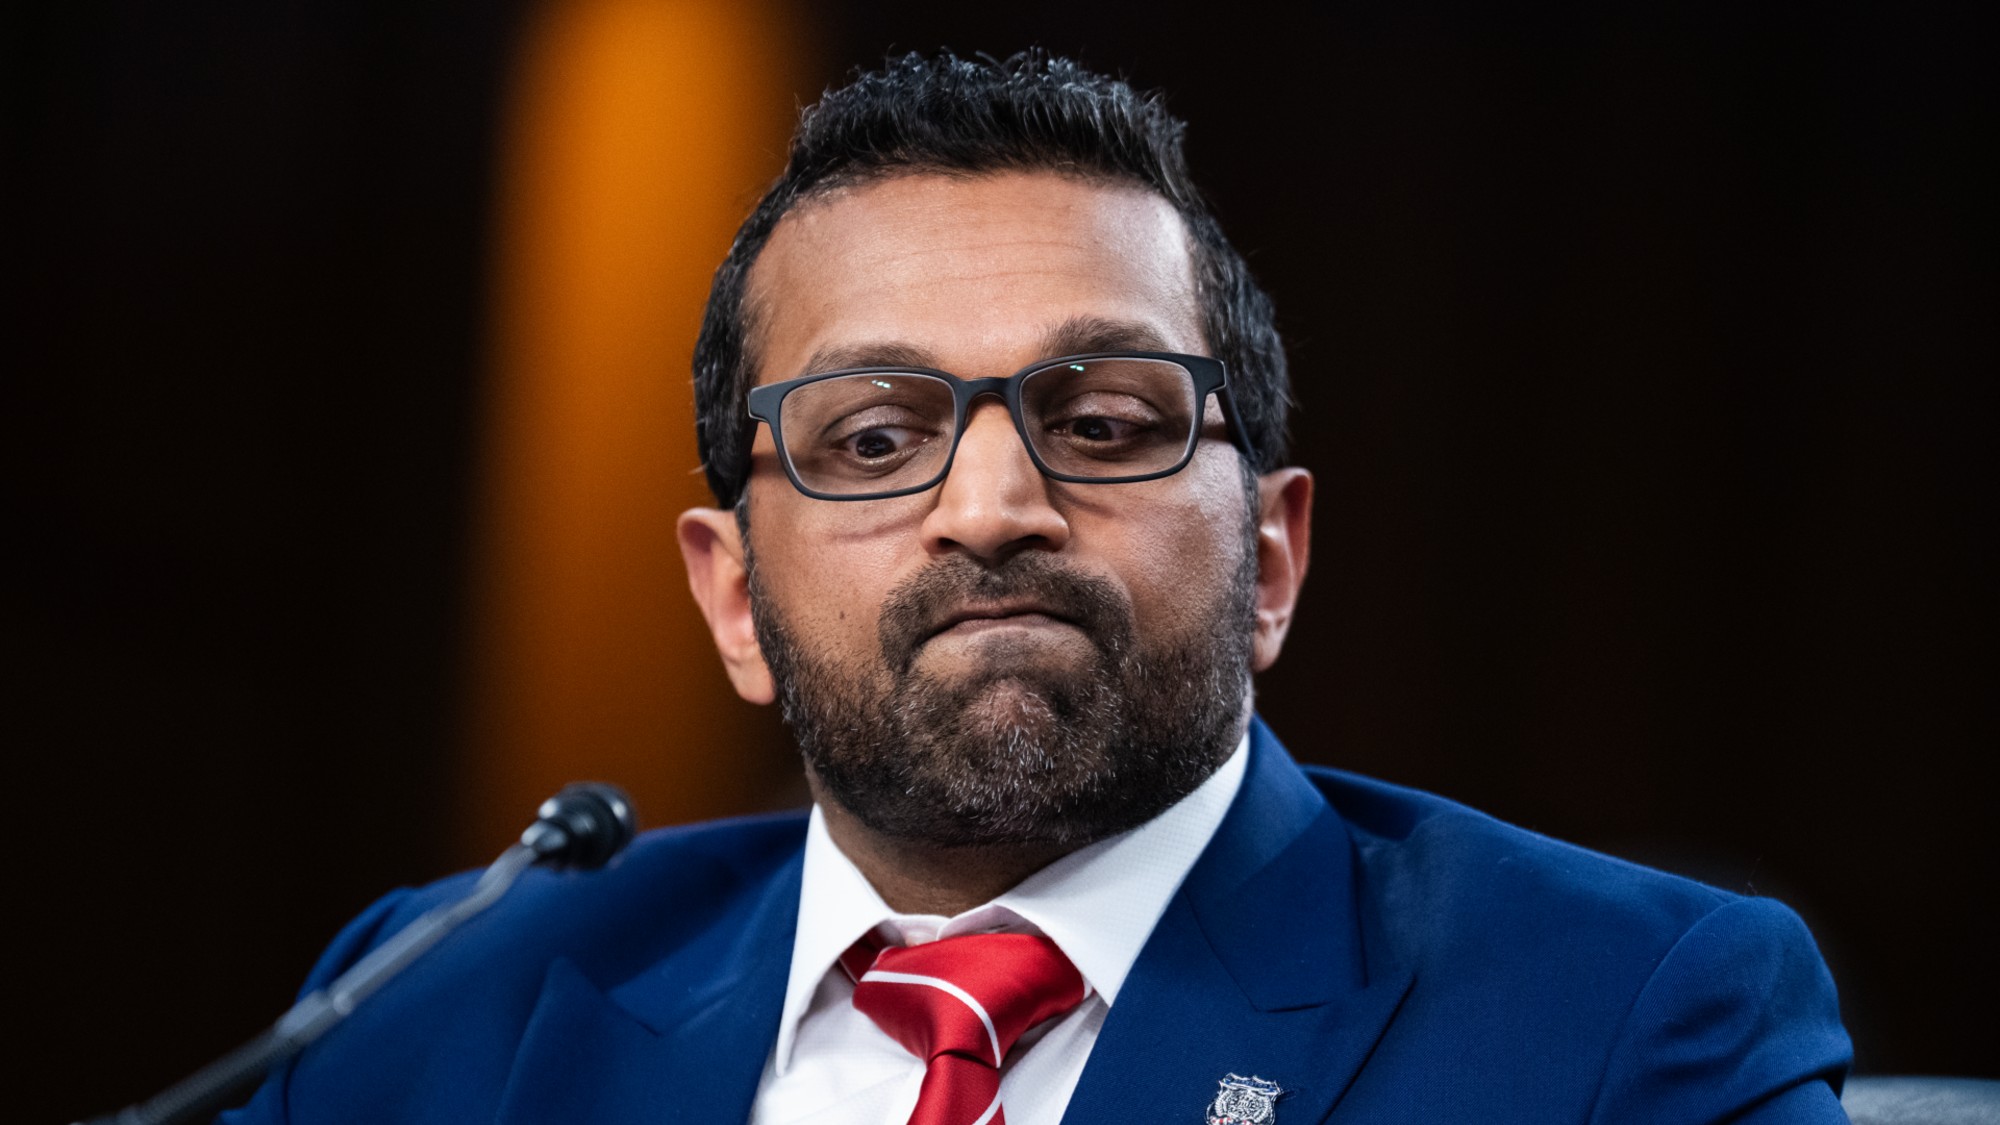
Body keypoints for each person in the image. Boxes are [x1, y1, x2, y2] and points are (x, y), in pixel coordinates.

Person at [223, 51, 1852, 1124]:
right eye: (873, 439)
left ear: (1272, 557)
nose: (994, 509)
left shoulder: (1619, 1017)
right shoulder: (433, 1007)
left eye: (1106, 424)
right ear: (731, 599)